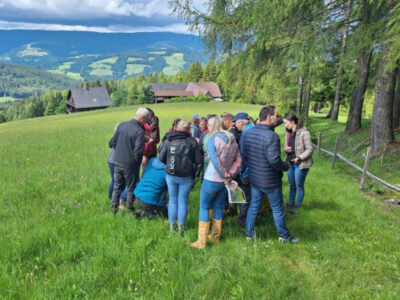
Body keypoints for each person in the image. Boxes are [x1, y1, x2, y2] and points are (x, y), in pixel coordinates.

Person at [240, 105, 299, 243]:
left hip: (255, 178)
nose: (278, 118)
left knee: (254, 206)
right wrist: (286, 165)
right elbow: (274, 161)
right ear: (268, 117)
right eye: (277, 116)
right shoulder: (272, 137)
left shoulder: (248, 133)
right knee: (277, 209)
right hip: (270, 181)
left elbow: (245, 155)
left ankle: (249, 235)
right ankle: (284, 236)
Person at [190, 117, 242, 250]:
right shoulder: (231, 137)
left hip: (212, 179)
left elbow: (215, 161)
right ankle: (215, 237)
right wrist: (230, 175)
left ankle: (201, 242)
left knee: (204, 206)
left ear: (211, 125)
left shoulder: (212, 139)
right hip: (225, 181)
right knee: (218, 206)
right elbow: (238, 159)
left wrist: (225, 175)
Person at [159, 120, 202, 236]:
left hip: (171, 174)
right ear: (189, 130)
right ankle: (181, 230)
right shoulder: (192, 141)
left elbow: (161, 158)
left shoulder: (169, 140)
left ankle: (172, 228)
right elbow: (198, 161)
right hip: (186, 176)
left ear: (177, 127)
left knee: (172, 200)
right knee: (183, 202)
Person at [108, 107, 150, 213]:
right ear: (142, 118)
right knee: (131, 188)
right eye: (146, 120)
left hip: (117, 161)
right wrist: (135, 163)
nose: (146, 122)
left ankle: (113, 208)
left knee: (117, 186)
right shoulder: (139, 131)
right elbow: (138, 151)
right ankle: (130, 209)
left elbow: (111, 143)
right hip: (130, 165)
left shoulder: (122, 125)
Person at [283, 113, 313, 214]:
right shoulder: (288, 133)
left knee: (299, 186)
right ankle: (290, 203)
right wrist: (286, 149)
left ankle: (297, 207)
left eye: (285, 123)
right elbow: (286, 146)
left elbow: (309, 149)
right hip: (290, 163)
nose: (284, 125)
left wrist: (299, 158)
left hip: (300, 164)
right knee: (292, 185)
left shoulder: (305, 133)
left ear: (292, 122)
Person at [108, 123, 127, 208]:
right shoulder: (119, 139)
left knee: (116, 181)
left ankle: (113, 198)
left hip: (113, 161)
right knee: (118, 182)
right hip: (115, 162)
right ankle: (116, 199)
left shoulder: (116, 138)